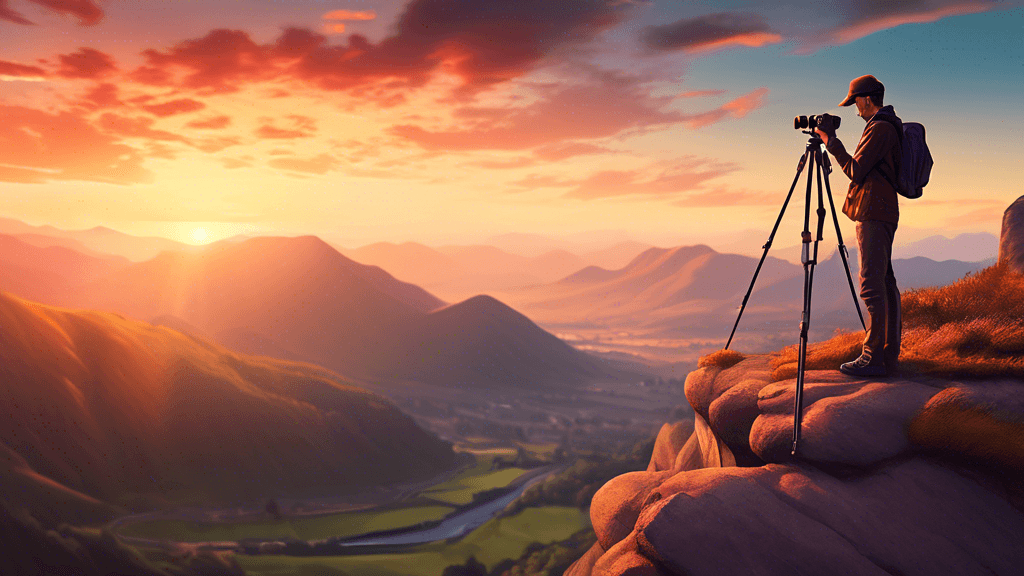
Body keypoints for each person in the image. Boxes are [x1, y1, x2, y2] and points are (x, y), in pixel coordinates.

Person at [815, 74, 902, 377]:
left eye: (855, 102)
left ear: (866, 99)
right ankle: (887, 354)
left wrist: (830, 142)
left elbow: (855, 170)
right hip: (882, 209)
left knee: (871, 285)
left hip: (874, 212)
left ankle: (873, 357)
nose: (855, 109)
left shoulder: (879, 128)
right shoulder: (887, 126)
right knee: (884, 282)